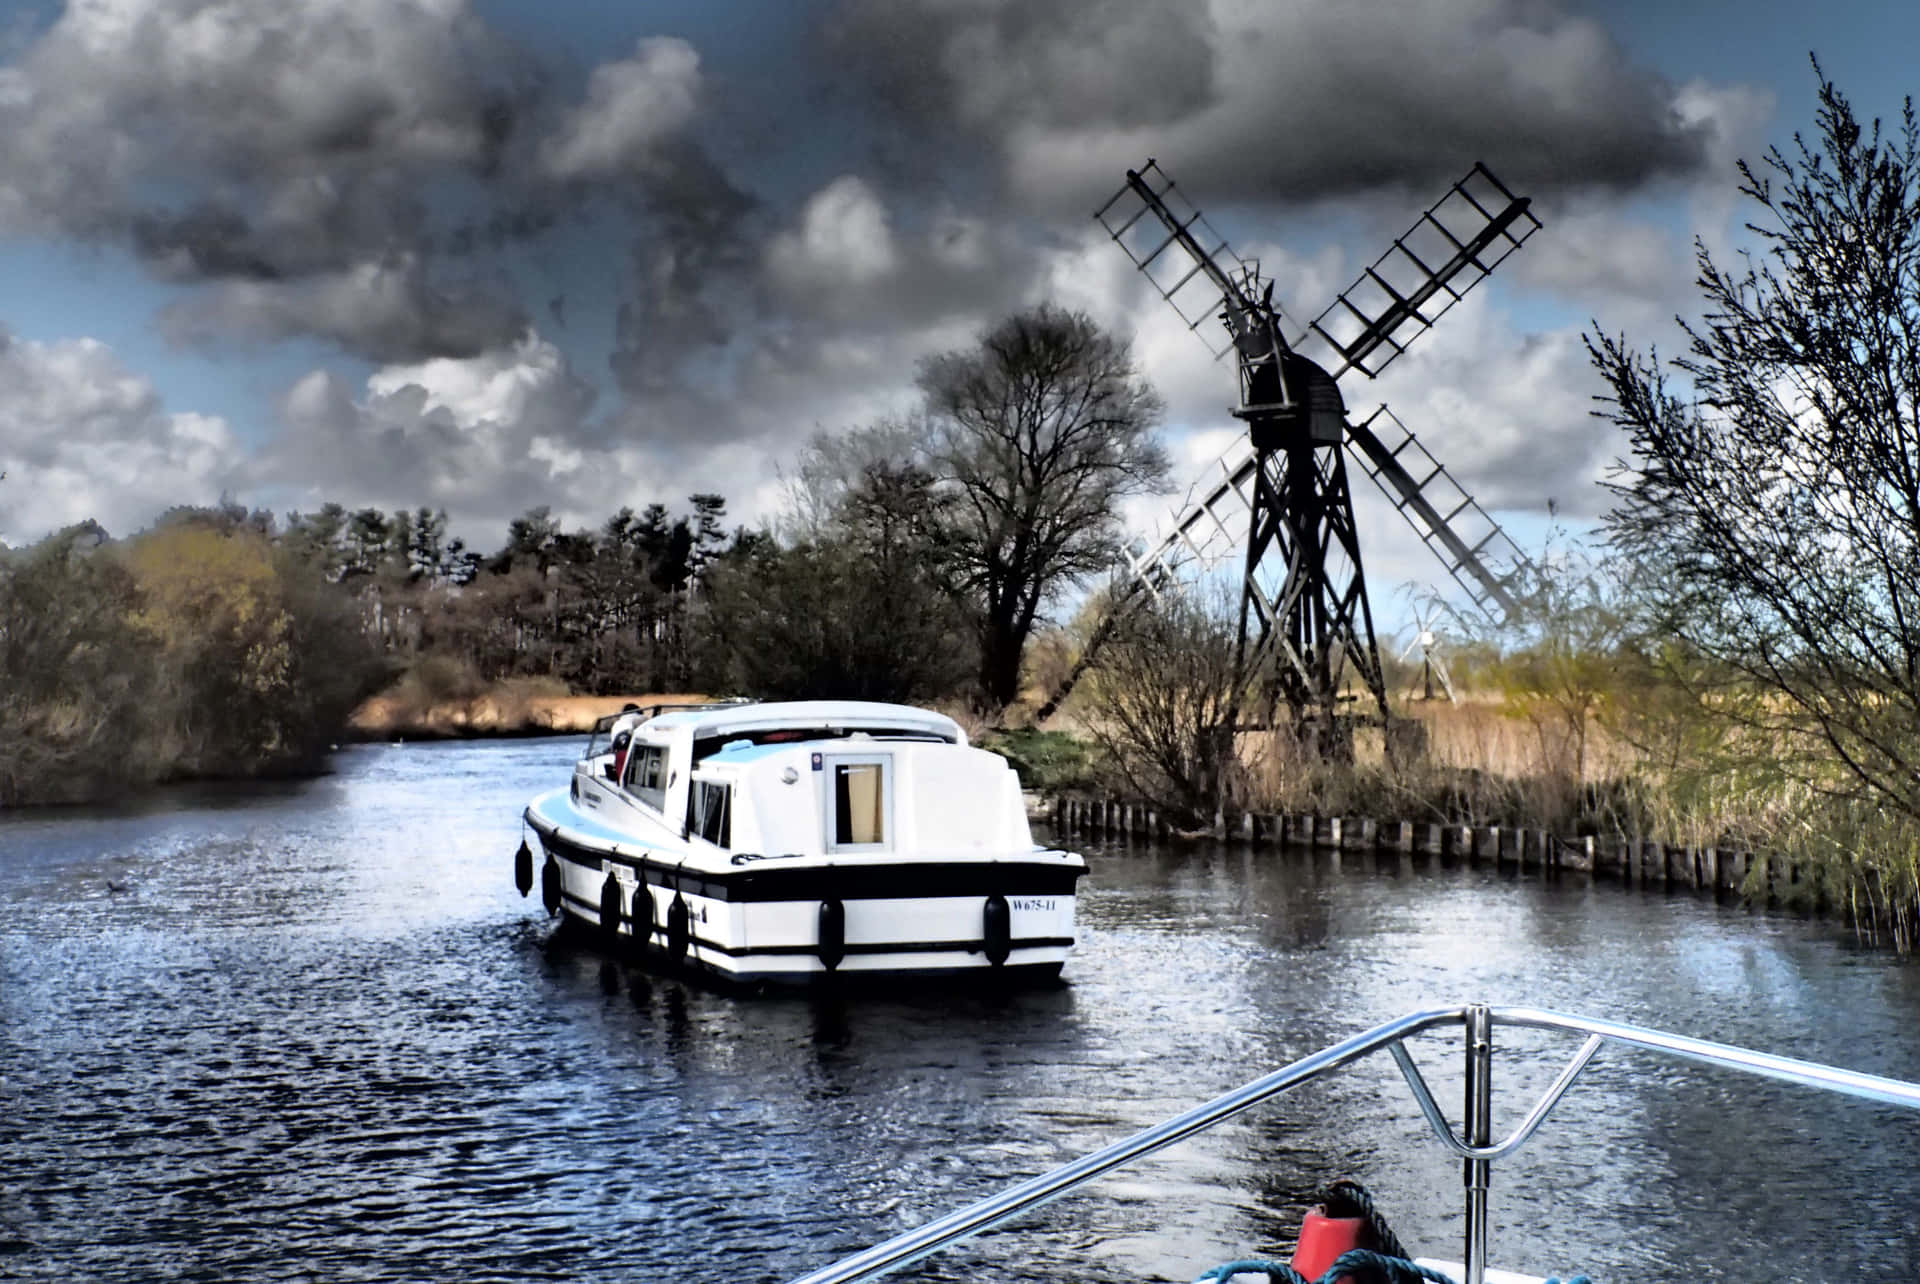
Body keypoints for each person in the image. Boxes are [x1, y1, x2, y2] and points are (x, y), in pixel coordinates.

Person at [608, 702, 643, 781]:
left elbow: (613, 742)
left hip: (620, 753)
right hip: (636, 754)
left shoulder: (617, 724)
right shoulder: (641, 719)